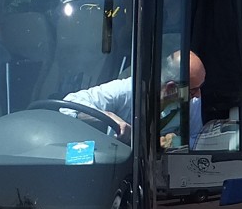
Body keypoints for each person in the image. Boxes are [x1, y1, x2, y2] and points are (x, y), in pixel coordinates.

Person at [62, 50, 205, 148]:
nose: (198, 94)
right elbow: (68, 106)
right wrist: (108, 116)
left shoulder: (193, 102)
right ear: (171, 88)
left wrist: (176, 142)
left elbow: (197, 140)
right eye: (193, 90)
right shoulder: (127, 90)